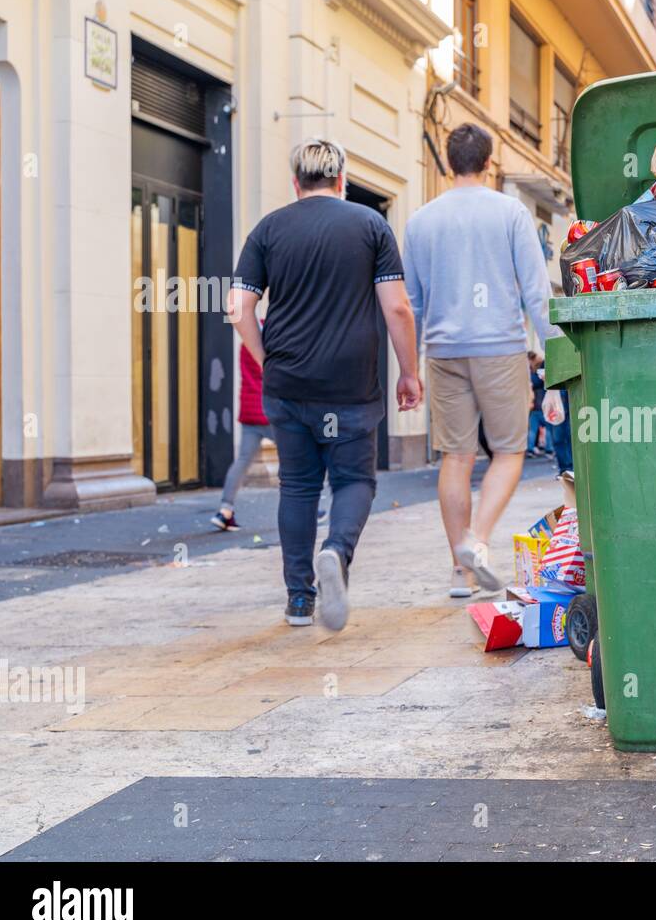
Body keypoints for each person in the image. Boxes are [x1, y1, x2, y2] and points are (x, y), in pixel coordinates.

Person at [228, 137, 422, 630]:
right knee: (354, 480)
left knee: (297, 487)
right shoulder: (370, 225)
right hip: (350, 387)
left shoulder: (269, 229)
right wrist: (409, 371)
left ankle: (298, 600)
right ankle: (335, 551)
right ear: (342, 180)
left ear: (296, 182)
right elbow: (396, 307)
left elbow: (238, 308)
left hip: (288, 385)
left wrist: (265, 356)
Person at [402, 123, 557, 598]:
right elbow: (536, 292)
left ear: (448, 162)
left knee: (456, 456)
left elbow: (412, 303)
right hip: (500, 347)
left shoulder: (420, 221)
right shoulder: (510, 213)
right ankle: (477, 540)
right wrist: (556, 359)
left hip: (443, 351)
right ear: (489, 162)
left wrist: (410, 367)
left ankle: (459, 572)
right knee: (510, 452)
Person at [211, 337, 330, 531]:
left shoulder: (245, 345)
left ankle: (225, 510)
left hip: (249, 413)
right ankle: (308, 509)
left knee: (242, 460)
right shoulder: (276, 342)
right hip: (271, 412)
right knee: (301, 458)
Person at [526, 352, 548, 458]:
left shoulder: (535, 374)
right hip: (541, 405)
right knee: (547, 428)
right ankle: (549, 449)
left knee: (533, 430)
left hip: (537, 406)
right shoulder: (540, 371)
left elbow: (533, 382)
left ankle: (531, 449)